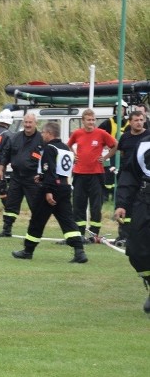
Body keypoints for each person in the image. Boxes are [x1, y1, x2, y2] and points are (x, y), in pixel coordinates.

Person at [10, 122, 87, 263]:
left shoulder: (49, 149)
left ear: (50, 133)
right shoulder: (66, 148)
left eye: (43, 133)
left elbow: (50, 171)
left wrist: (48, 190)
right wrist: (42, 176)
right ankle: (79, 251)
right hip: (64, 187)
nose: (42, 135)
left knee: (37, 220)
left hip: (51, 188)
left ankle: (28, 251)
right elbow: (60, 170)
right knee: (68, 221)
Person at [114, 129, 150, 315]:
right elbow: (130, 176)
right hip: (145, 200)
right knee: (136, 250)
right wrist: (121, 204)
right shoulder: (143, 143)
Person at [67, 109, 118, 240]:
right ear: (83, 121)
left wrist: (105, 157)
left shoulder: (101, 133)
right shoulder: (77, 133)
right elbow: (68, 145)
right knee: (79, 205)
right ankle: (79, 234)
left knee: (96, 206)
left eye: (93, 120)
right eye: (88, 120)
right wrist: (73, 154)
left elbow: (115, 145)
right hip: (79, 174)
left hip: (96, 174)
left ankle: (94, 235)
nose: (91, 122)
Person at [0, 112, 43, 238]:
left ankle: (35, 231)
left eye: (30, 122)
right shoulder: (15, 137)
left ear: (35, 123)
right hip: (16, 177)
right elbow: (6, 154)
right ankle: (6, 230)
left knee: (36, 206)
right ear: (23, 123)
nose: (27, 125)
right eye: (26, 122)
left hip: (33, 179)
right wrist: (1, 168)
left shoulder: (41, 139)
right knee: (11, 204)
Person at [112, 110, 147, 246]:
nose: (139, 122)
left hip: (143, 177)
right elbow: (122, 153)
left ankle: (139, 236)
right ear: (130, 122)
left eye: (141, 120)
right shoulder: (125, 137)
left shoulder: (148, 135)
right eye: (136, 120)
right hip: (127, 176)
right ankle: (123, 236)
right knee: (124, 205)